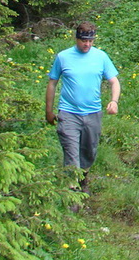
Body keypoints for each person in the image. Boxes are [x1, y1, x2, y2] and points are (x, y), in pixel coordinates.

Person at [46, 21, 120, 193]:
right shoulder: (63, 57)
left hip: (93, 113)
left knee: (88, 151)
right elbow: (52, 84)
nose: (87, 44)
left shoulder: (101, 57)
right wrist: (48, 111)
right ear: (76, 39)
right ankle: (72, 194)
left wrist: (114, 101)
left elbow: (114, 81)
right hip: (68, 113)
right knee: (71, 153)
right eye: (83, 41)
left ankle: (83, 178)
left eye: (90, 41)